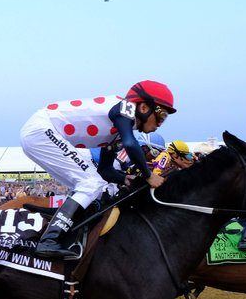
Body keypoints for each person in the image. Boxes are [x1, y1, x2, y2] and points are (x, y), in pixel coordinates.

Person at [20, 80, 175, 260]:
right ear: (143, 108)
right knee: (90, 183)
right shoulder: (124, 108)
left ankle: (64, 223)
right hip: (41, 130)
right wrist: (148, 176)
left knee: (96, 185)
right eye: (161, 116)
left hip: (39, 133)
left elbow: (105, 171)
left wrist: (126, 178)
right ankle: (49, 240)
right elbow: (131, 144)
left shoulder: (118, 129)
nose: (160, 124)